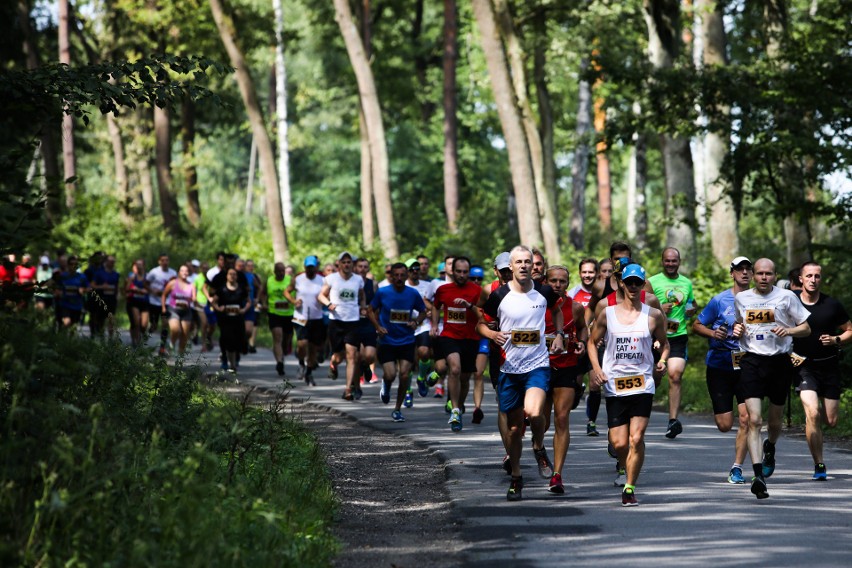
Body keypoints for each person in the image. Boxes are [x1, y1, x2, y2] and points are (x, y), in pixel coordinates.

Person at [478, 246, 564, 501]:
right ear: (511, 267)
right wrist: (492, 334)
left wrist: (558, 334)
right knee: (515, 429)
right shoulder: (499, 296)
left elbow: (557, 310)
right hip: (508, 368)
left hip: (537, 364)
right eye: (519, 262)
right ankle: (516, 477)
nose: (524, 266)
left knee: (535, 412)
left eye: (529, 262)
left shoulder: (544, 291)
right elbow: (480, 323)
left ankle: (538, 445)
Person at [587, 263, 669, 506]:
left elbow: (665, 343)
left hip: (643, 383)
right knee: (619, 443)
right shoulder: (607, 313)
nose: (633, 286)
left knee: (636, 437)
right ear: (621, 283)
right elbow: (592, 343)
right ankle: (625, 463)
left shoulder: (653, 315)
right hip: (615, 385)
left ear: (643, 285)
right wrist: (597, 369)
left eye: (638, 282)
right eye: (629, 282)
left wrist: (662, 361)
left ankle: (630, 487)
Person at [731, 258, 811, 499]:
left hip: (779, 361)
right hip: (751, 361)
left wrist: (788, 330)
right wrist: (737, 330)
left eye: (768, 274)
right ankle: (758, 476)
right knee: (753, 420)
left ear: (775, 276)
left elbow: (806, 328)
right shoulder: (742, 299)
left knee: (774, 422)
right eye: (759, 273)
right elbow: (739, 324)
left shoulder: (787, 297)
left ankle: (770, 446)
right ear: (753, 276)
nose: (764, 277)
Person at [692, 256, 753, 484]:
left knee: (747, 418)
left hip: (748, 365)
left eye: (748, 269)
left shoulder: (760, 300)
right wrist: (713, 333)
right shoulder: (719, 300)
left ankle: (737, 467)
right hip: (719, 365)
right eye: (740, 269)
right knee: (725, 425)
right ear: (732, 273)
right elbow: (697, 325)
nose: (744, 273)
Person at [793, 261, 851, 481]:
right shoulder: (791, 303)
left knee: (831, 420)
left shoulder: (832, 304)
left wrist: (836, 339)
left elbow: (849, 330)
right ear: (801, 278)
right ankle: (819, 464)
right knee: (812, 412)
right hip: (804, 366)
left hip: (829, 366)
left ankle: (818, 445)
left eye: (817, 276)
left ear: (821, 278)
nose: (813, 280)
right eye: (809, 276)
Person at [542, 265, 588, 494]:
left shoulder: (576, 307)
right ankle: (538, 447)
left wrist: (581, 342)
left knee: (561, 418)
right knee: (540, 419)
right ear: (545, 281)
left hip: (567, 367)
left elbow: (583, 330)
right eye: (553, 281)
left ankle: (557, 474)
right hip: (540, 368)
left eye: (562, 281)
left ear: (568, 283)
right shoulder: (536, 305)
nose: (557, 285)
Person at [431, 256, 486, 432]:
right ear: (452, 271)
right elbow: (435, 306)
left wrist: (470, 306)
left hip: (470, 338)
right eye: (459, 271)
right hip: (449, 335)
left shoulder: (478, 291)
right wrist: (433, 325)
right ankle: (455, 409)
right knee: (454, 369)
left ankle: (460, 406)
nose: (462, 275)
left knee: (465, 377)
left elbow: (483, 315)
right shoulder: (443, 290)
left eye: (465, 272)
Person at [367, 262, 427, 422]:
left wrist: (416, 323)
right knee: (390, 374)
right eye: (396, 275)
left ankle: (397, 409)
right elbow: (370, 310)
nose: (400, 278)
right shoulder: (383, 292)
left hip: (407, 340)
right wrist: (378, 327)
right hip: (387, 341)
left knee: (405, 374)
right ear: (391, 277)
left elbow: (423, 311)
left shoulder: (412, 293)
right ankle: (386, 386)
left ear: (406, 276)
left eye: (402, 275)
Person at [648, 247, 697, 439]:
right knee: (655, 375)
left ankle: (673, 421)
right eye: (667, 261)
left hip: (677, 335)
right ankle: (653, 386)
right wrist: (659, 309)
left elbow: (692, 303)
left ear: (679, 261)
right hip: (654, 336)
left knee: (675, 376)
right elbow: (642, 305)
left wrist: (692, 308)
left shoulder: (686, 283)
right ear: (662, 261)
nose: (670, 264)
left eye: (674, 261)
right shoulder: (651, 282)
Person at [318, 251, 366, 400]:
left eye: (349, 262)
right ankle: (333, 363)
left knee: (352, 356)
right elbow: (321, 295)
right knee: (338, 357)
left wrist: (363, 306)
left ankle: (348, 389)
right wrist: (328, 304)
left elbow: (362, 295)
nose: (346, 264)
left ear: (352, 264)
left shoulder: (358, 279)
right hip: (336, 321)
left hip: (352, 321)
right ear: (339, 264)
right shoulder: (331, 279)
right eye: (344, 262)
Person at [568, 258, 599, 436]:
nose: (587, 275)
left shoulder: (601, 293)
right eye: (584, 272)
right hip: (578, 345)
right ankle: (579, 392)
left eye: (591, 272)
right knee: (575, 387)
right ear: (580, 273)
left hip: (596, 345)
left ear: (596, 273)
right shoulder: (573, 294)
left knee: (596, 385)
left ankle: (591, 422)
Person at [289, 255, 327, 384]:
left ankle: (309, 372)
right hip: (300, 317)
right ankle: (301, 362)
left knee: (313, 347)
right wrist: (294, 301)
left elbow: (328, 294)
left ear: (317, 267)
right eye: (308, 267)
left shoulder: (322, 280)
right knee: (302, 344)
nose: (311, 269)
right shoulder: (298, 279)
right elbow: (287, 291)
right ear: (305, 267)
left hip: (316, 317)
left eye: (313, 267)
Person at [404, 258, 435, 402]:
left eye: (417, 269)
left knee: (424, 352)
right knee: (408, 362)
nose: (415, 272)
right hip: (405, 327)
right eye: (412, 269)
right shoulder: (402, 286)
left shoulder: (428, 285)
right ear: (406, 272)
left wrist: (430, 311)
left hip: (423, 324)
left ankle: (421, 378)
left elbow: (434, 304)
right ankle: (408, 390)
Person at [210, 267, 251, 374]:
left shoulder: (241, 289)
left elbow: (248, 302)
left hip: (238, 318)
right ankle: (232, 365)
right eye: (230, 274)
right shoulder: (222, 289)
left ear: (236, 276)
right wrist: (219, 308)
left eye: (234, 274)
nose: (232, 276)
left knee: (239, 340)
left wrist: (244, 310)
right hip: (225, 319)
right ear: (227, 276)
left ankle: (235, 359)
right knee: (229, 340)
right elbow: (214, 302)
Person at [263, 262, 296, 378]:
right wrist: (263, 304)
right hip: (274, 313)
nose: (281, 273)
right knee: (277, 337)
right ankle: (279, 363)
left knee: (287, 341)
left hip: (288, 314)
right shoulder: (269, 281)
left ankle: (283, 353)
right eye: (279, 271)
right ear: (275, 271)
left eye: (283, 270)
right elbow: (263, 293)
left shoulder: (290, 280)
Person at [354, 257, 379, 388]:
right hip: (353, 323)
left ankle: (366, 367)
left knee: (369, 356)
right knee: (357, 356)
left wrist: (378, 324)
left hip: (369, 322)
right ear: (355, 268)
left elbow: (378, 305)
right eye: (360, 266)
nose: (362, 269)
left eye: (365, 266)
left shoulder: (373, 284)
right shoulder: (350, 283)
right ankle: (356, 386)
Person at [161, 264, 196, 355]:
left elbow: (194, 299)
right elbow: (164, 295)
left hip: (186, 311)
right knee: (175, 329)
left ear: (188, 273)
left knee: (185, 334)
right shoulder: (172, 283)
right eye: (182, 270)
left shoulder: (191, 285)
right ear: (178, 272)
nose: (185, 272)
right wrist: (164, 307)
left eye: (186, 271)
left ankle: (180, 356)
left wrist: (193, 300)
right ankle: (171, 345)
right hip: (173, 309)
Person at [468, 265, 488, 422]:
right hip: (465, 338)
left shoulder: (486, 294)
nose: (475, 281)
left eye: (478, 279)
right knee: (462, 374)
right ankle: (456, 402)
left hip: (482, 337)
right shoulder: (462, 292)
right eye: (472, 278)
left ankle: (477, 408)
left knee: (478, 373)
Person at [147, 253, 177, 356]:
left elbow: (176, 286)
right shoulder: (154, 272)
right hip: (154, 302)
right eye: (163, 260)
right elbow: (145, 283)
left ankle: (162, 348)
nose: (165, 262)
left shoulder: (173, 273)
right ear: (159, 261)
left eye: (167, 260)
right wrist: (152, 291)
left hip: (167, 302)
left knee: (165, 324)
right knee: (154, 326)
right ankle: (148, 334)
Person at [55, 255, 89, 330]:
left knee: (73, 327)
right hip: (65, 304)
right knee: (67, 322)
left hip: (77, 305)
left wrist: (82, 290)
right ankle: (62, 337)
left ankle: (68, 340)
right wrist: (58, 292)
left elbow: (89, 288)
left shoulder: (82, 277)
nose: (73, 266)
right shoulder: (63, 276)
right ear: (68, 265)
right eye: (71, 264)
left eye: (75, 264)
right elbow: (56, 288)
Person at [91, 254, 120, 337]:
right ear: (106, 262)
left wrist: (118, 294)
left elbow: (117, 286)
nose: (112, 263)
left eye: (113, 262)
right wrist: (101, 287)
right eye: (110, 261)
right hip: (101, 299)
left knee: (111, 318)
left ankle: (110, 338)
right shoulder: (99, 273)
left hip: (112, 299)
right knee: (101, 319)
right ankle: (101, 336)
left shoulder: (116, 274)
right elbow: (92, 285)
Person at [125, 259, 149, 346]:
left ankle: (140, 337)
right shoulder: (132, 277)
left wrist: (144, 291)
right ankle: (136, 342)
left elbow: (150, 290)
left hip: (145, 302)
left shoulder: (148, 277)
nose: (138, 266)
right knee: (136, 322)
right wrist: (132, 288)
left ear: (144, 266)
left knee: (144, 325)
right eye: (137, 264)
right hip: (134, 302)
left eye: (140, 264)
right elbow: (127, 289)